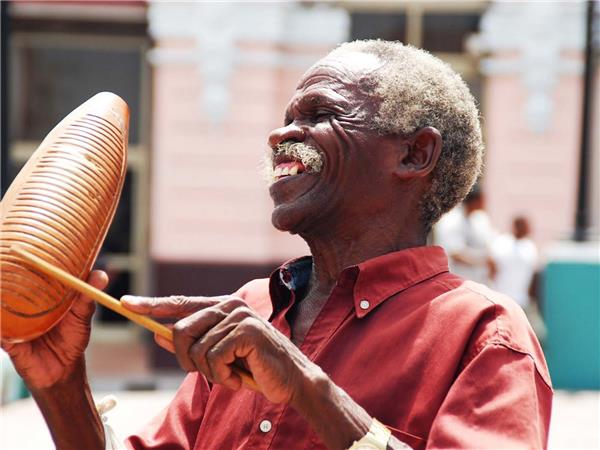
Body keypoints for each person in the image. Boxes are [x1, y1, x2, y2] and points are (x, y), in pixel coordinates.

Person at [1, 40, 552, 450]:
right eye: (288, 117)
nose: (280, 134)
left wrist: (306, 385)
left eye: (319, 115)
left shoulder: (484, 333)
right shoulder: (253, 310)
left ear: (413, 155)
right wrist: (60, 382)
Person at [489, 216, 546, 341]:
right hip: (501, 299)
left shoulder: (530, 247)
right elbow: (491, 266)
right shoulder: (502, 242)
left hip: (522, 302)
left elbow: (533, 275)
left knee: (537, 336)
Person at [434, 187, 496, 285]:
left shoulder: (479, 219)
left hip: (475, 282)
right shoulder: (451, 220)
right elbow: (455, 254)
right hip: (455, 283)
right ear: (475, 200)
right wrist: (483, 263)